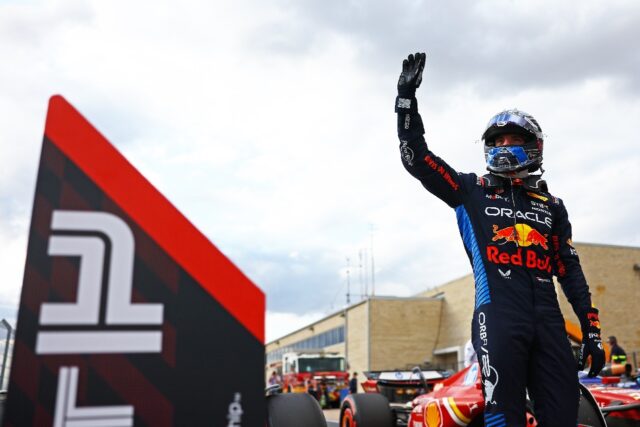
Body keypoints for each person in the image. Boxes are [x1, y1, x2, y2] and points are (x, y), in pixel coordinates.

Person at [395, 52, 605, 426]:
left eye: (515, 138)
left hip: (550, 323)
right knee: (503, 415)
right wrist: (406, 103)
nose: (506, 144)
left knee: (563, 417)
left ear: (535, 146)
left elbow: (570, 272)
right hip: (498, 317)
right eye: (499, 138)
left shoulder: (552, 205)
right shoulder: (468, 189)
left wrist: (591, 329)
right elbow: (417, 159)